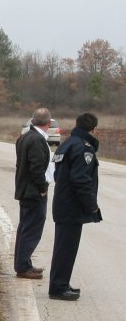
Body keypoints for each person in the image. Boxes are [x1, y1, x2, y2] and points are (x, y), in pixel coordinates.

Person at [48, 112, 101, 301]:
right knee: (66, 248)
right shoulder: (83, 147)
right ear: (93, 129)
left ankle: (61, 283)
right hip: (71, 207)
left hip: (63, 203)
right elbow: (81, 180)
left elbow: (57, 174)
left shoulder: (68, 143)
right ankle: (58, 288)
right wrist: (92, 206)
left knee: (64, 248)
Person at [13, 107, 53, 279]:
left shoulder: (24, 137)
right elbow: (36, 169)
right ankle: (23, 267)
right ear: (49, 123)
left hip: (25, 190)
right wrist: (43, 188)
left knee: (25, 228)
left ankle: (23, 263)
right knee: (31, 230)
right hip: (33, 192)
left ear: (32, 120)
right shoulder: (37, 140)